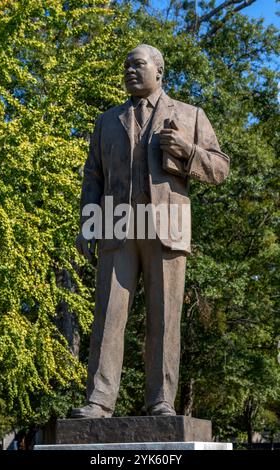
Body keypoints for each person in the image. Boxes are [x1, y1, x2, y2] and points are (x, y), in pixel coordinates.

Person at [71, 44, 229, 418]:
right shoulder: (107, 121)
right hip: (116, 226)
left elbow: (220, 169)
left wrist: (188, 151)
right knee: (108, 317)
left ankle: (161, 400)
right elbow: (93, 176)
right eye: (125, 65)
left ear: (159, 71)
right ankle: (99, 399)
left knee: (164, 318)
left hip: (168, 228)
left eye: (137, 64)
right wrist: (87, 223)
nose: (129, 70)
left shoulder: (189, 115)